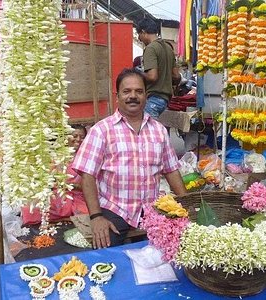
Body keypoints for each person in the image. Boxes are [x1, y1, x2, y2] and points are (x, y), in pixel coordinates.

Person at [72, 68, 187, 249]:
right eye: (127, 91)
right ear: (117, 96)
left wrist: (187, 205)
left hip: (151, 209)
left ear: (146, 96)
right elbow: (87, 174)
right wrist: (96, 217)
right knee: (106, 252)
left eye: (138, 91)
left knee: (172, 249)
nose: (132, 96)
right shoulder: (102, 130)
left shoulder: (158, 130)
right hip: (116, 208)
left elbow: (171, 170)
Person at [21, 124, 89, 224]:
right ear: (67, 138)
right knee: (29, 208)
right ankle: (66, 218)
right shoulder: (57, 156)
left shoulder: (87, 157)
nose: (78, 139)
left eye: (82, 137)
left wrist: (72, 186)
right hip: (60, 193)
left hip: (79, 196)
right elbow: (48, 178)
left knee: (88, 214)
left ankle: (64, 218)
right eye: (75, 136)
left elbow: (91, 185)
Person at [136, 18, 181, 118]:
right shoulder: (169, 48)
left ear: (143, 32)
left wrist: (137, 74)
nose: (139, 39)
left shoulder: (151, 48)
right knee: (160, 132)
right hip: (165, 101)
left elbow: (152, 76)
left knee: (148, 132)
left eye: (139, 35)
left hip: (153, 99)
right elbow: (177, 76)